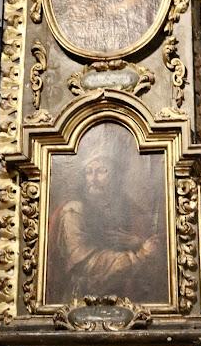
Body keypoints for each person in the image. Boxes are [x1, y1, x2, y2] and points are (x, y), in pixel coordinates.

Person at [46, 130, 161, 304]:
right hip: (83, 300)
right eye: (89, 172)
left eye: (101, 171)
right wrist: (140, 255)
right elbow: (88, 264)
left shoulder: (130, 210)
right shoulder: (73, 212)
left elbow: (155, 262)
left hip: (128, 299)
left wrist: (137, 242)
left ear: (115, 176)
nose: (93, 178)